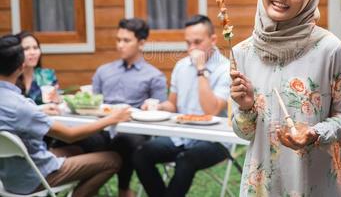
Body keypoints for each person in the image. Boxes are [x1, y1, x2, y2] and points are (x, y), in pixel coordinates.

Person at [230, 0, 341, 196]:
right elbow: (243, 133)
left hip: (313, 180)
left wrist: (314, 133)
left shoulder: (329, 50)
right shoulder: (242, 53)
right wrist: (246, 107)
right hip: (263, 185)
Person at [0, 34, 131, 197]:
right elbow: (70, 135)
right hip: (35, 178)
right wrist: (112, 119)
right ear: (21, 66)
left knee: (79, 149)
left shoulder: (16, 104)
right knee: (113, 159)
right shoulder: (22, 107)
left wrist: (39, 110)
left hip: (8, 177)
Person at [133, 15, 231, 197]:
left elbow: (212, 110)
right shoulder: (181, 66)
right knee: (141, 153)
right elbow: (173, 104)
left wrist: (201, 69)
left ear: (213, 39)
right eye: (188, 43)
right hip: (182, 135)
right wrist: (158, 107)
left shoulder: (226, 69)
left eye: (197, 42)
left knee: (185, 159)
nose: (192, 49)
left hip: (215, 141)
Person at [71, 18, 167, 197]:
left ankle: (124, 189)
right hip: (102, 127)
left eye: (126, 40)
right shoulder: (103, 71)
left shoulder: (154, 76)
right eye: (118, 40)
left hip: (133, 131)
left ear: (142, 43)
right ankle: (89, 186)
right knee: (86, 139)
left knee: (127, 141)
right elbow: (94, 103)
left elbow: (161, 110)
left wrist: (153, 107)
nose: (120, 45)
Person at [15, 31, 60, 105]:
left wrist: (57, 100)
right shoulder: (10, 77)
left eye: (35, 48)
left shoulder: (48, 75)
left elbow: (56, 104)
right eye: (26, 49)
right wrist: (41, 109)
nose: (32, 52)